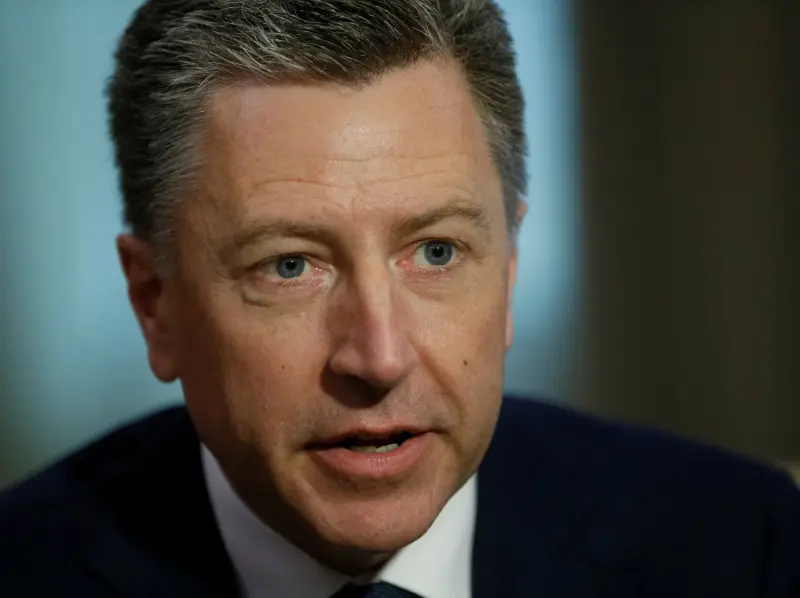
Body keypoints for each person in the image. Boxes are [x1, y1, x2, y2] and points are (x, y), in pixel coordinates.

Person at [1, 0, 798, 596]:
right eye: (289, 266)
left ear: (508, 271)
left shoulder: (742, 546)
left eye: (437, 252)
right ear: (156, 305)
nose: (379, 357)